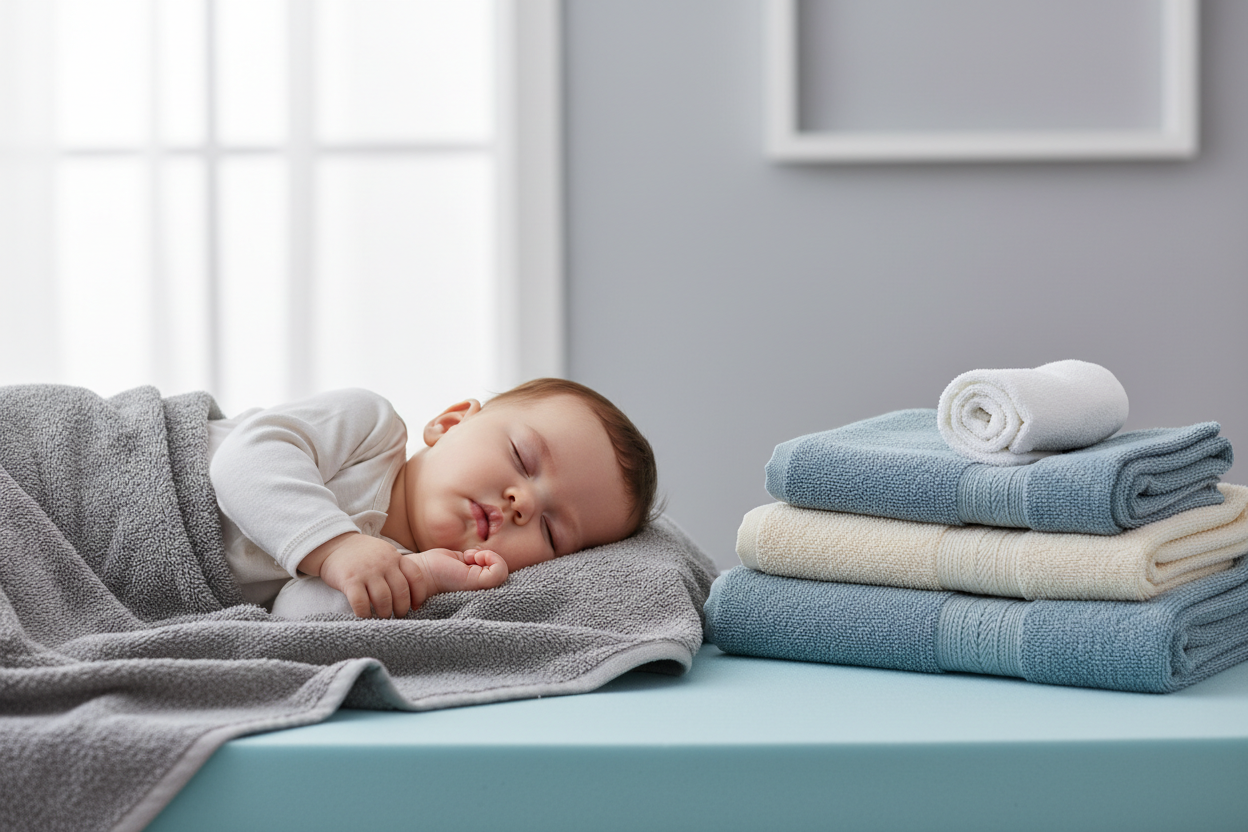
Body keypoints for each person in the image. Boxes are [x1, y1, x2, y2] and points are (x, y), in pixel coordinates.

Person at [208, 378, 659, 620]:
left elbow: (294, 616)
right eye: (522, 458)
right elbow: (243, 461)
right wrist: (336, 547)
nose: (523, 503)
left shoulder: (405, 570)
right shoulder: (369, 429)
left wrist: (417, 576)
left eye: (551, 530)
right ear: (450, 423)